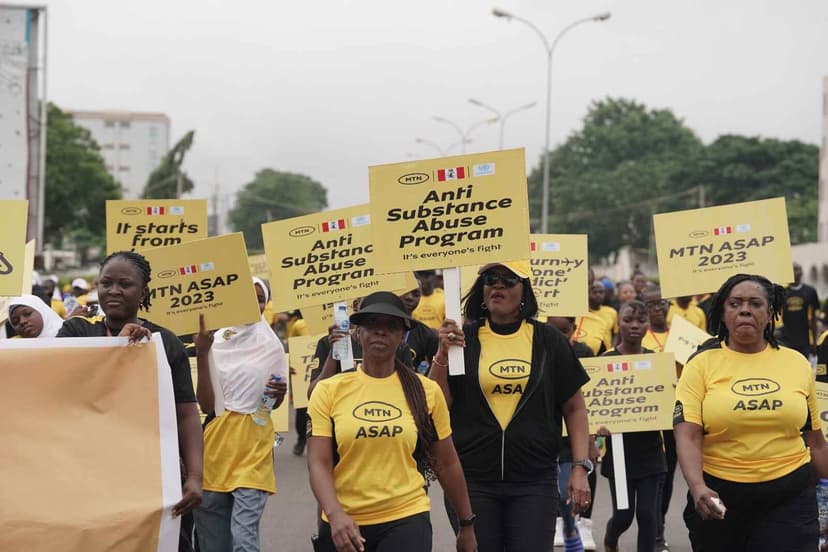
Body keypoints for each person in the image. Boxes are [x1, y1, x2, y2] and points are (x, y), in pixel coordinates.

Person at [430, 261, 592, 551]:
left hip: (535, 481)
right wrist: (442, 355)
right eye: (491, 278)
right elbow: (437, 405)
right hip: (472, 481)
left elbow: (575, 408)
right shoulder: (462, 340)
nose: (498, 285)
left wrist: (580, 467)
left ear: (524, 291)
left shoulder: (549, 340)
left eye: (509, 280)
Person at [307, 291, 477, 552]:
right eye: (372, 323)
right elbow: (319, 462)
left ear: (402, 336)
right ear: (358, 332)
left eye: (391, 326)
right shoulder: (328, 391)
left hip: (406, 518)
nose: (381, 331)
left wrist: (466, 524)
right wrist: (335, 514)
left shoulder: (426, 391)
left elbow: (447, 462)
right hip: (345, 524)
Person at [56, 251, 204, 547]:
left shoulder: (165, 342)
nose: (113, 290)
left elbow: (186, 414)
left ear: (143, 293)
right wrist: (119, 347)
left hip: (154, 479)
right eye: (106, 283)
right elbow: (62, 392)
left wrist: (195, 477)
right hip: (88, 476)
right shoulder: (76, 332)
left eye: (124, 284)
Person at [674, 273, 828, 551]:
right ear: (723, 314)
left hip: (790, 494)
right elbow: (688, 435)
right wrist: (697, 487)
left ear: (770, 314)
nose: (745, 310)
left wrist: (827, 496)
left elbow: (815, 441)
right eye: (735, 304)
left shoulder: (796, 363)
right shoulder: (700, 365)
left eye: (755, 304)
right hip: (721, 495)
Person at [193, 277, 288, 552]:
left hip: (253, 449)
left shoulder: (272, 347)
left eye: (261, 299)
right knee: (213, 542)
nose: (255, 304)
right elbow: (206, 405)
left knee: (244, 540)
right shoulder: (215, 341)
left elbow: (267, 408)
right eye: (249, 297)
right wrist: (202, 353)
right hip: (216, 448)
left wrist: (277, 395)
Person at [597, 301, 667, 552]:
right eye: (628, 320)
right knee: (623, 515)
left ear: (648, 324)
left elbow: (666, 401)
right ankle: (611, 539)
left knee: (648, 515)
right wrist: (597, 430)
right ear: (618, 323)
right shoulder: (604, 361)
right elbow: (593, 407)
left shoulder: (656, 361)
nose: (635, 325)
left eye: (641, 320)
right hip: (619, 453)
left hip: (651, 451)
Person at [549, 316, 599, 552]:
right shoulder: (540, 349)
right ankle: (565, 525)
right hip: (548, 433)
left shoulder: (584, 352)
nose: (560, 336)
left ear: (574, 329)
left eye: (565, 331)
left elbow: (590, 398)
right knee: (556, 493)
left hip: (573, 436)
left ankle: (573, 527)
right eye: (554, 330)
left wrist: (591, 441)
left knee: (567, 490)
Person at [640, 283, 674, 550]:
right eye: (650, 305)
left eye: (660, 303)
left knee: (670, 475)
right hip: (650, 416)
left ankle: (659, 521)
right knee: (657, 475)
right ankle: (656, 531)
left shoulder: (684, 336)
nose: (657, 309)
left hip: (677, 415)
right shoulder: (640, 338)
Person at [780, 262, 820, 359]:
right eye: (792, 269)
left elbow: (814, 318)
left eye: (797, 269)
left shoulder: (810, 291)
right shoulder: (782, 292)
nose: (794, 272)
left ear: (801, 272)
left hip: (804, 339)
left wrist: (815, 342)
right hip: (786, 339)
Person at [572, 269, 613, 355]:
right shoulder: (546, 317)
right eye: (577, 281)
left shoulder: (600, 323)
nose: (582, 287)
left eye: (587, 283)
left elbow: (604, 354)